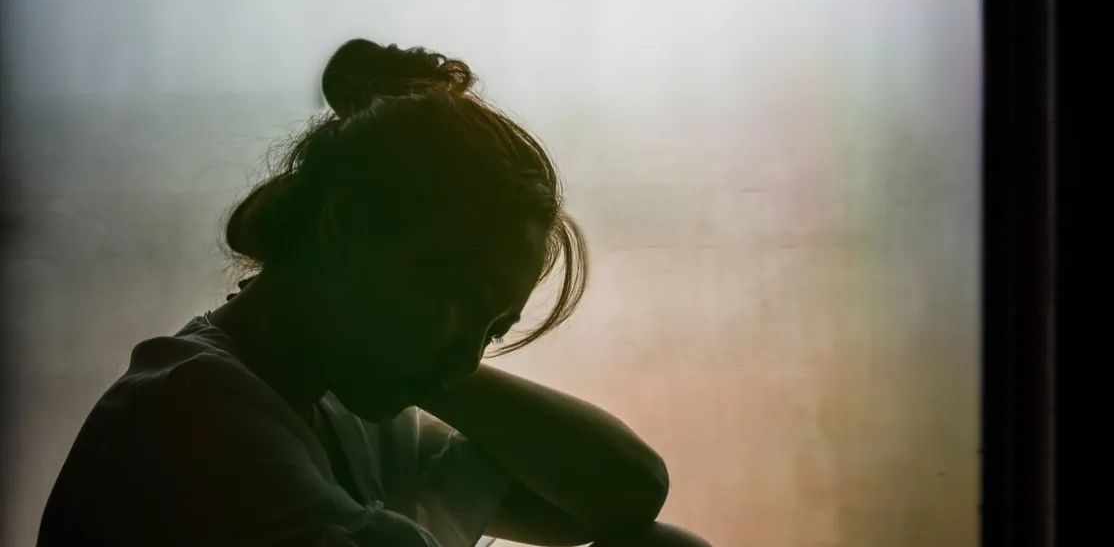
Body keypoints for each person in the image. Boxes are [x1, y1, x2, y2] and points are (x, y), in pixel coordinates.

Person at [36, 39, 713, 547]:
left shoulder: (336, 404)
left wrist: (434, 363)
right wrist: (425, 357)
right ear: (344, 228)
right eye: (457, 292)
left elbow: (626, 494)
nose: (469, 349)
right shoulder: (189, 419)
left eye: (493, 328)